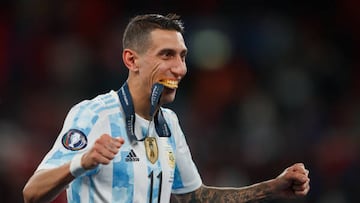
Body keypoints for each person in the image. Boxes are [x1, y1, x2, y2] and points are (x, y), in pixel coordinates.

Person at [22, 13, 310, 203]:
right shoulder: (94, 114)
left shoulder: (169, 123)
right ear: (132, 61)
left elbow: (194, 197)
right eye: (167, 55)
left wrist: (273, 186)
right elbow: (32, 193)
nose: (180, 68)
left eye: (182, 57)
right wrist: (81, 162)